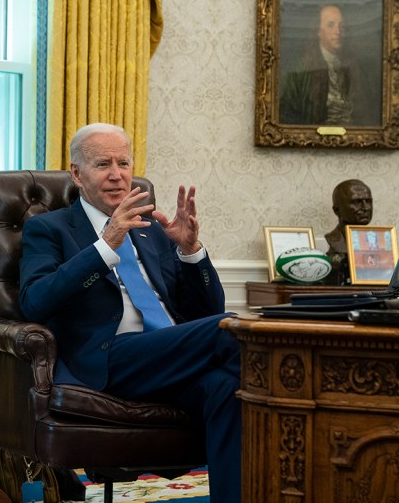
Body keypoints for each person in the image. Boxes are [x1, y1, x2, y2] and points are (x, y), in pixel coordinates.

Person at [19, 123, 240, 503]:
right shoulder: (49, 228)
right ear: (77, 174)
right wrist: (104, 247)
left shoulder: (151, 229)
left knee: (227, 389)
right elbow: (35, 300)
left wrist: (190, 251)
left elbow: (206, 310)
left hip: (168, 356)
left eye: (124, 162)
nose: (117, 174)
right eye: (103, 163)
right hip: (109, 357)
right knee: (235, 331)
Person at [279, 4, 380, 126]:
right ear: (318, 31)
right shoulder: (302, 70)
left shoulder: (354, 66)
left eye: (341, 26)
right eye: (330, 25)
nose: (338, 32)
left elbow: (365, 115)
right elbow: (289, 116)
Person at [324, 179, 372, 284]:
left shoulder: (378, 241)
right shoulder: (332, 242)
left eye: (368, 201)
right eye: (357, 202)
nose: (365, 208)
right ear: (337, 210)